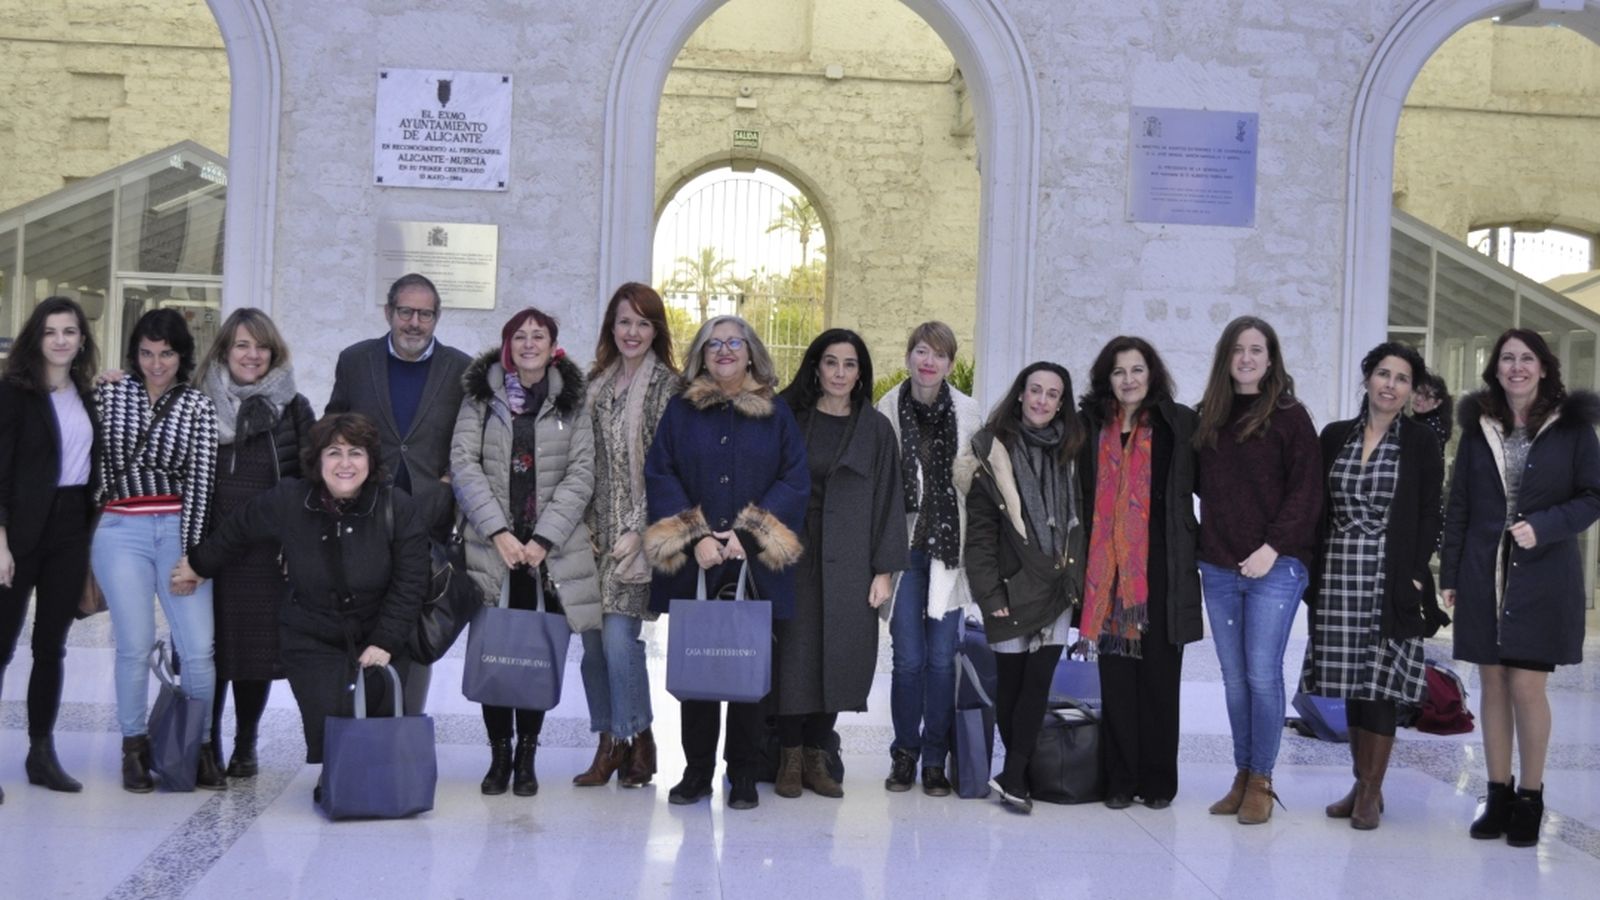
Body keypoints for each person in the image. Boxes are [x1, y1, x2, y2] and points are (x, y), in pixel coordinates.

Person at [178, 413, 428, 795]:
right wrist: (198, 564)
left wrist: (386, 641)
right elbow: (238, 527)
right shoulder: (291, 499)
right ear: (318, 460)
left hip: (378, 625)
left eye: (356, 453)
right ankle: (338, 770)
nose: (345, 464)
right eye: (334, 452)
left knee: (378, 709)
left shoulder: (399, 507)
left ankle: (371, 776)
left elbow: (411, 581)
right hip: (311, 628)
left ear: (371, 461)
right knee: (329, 710)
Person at [1440, 328, 1600, 848]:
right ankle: (1498, 792)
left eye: (1526, 358)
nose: (1516, 367)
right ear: (1495, 368)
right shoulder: (1479, 425)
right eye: (1507, 359)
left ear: (1544, 367)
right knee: (1492, 684)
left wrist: (1547, 526)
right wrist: (1451, 574)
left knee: (1527, 687)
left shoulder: (1573, 428)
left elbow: (1593, 495)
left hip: (1543, 574)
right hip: (1483, 573)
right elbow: (1459, 503)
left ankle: (1530, 796)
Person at [644, 315, 807, 811]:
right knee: (699, 673)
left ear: (752, 353)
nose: (725, 351)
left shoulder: (777, 414)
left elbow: (795, 479)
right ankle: (696, 772)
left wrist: (746, 534)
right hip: (699, 561)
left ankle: (742, 773)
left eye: (735, 342)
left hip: (752, 564)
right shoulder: (680, 411)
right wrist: (693, 537)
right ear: (701, 355)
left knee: (746, 673)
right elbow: (660, 472)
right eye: (714, 344)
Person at [452, 307, 599, 798]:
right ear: (508, 343)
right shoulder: (481, 397)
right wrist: (498, 532)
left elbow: (582, 474)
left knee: (533, 652)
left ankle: (528, 755)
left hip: (545, 555)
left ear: (553, 345)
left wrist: (541, 540)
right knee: (497, 652)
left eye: (539, 336)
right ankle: (498, 756)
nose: (529, 343)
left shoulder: (572, 403)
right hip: (493, 549)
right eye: (521, 336)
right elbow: (463, 464)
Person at [1301, 342, 1442, 831]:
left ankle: (1371, 792)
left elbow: (1429, 511)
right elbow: (1316, 505)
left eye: (1402, 378)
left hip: (1390, 574)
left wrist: (1415, 571)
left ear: (1410, 390)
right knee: (1351, 687)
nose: (1391, 384)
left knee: (1380, 686)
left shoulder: (1422, 442)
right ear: (1367, 379)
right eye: (1383, 373)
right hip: (1338, 570)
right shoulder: (1335, 436)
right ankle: (1361, 783)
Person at [1193, 315, 1320, 825]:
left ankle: (1263, 780)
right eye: (1238, 349)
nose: (1246, 357)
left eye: (1256, 349)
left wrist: (1273, 546)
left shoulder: (1290, 416)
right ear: (1226, 357)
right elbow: (1206, 487)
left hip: (1277, 564)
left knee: (1262, 674)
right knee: (1234, 678)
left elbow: (1307, 492)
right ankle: (1242, 775)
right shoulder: (1210, 417)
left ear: (1271, 360)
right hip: (1220, 565)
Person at [92, 308, 224, 792]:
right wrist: (97, 379)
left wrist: (191, 556)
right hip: (119, 529)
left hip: (175, 528)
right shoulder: (109, 393)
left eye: (166, 353)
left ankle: (200, 747)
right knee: (134, 644)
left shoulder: (197, 406)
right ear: (134, 353)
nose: (156, 363)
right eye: (146, 353)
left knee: (198, 650)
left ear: (182, 355)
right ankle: (133, 747)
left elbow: (202, 485)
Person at [326, 272, 470, 715]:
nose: (414, 322)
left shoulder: (461, 369)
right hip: (365, 515)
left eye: (424, 314)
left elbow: (471, 439)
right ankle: (357, 724)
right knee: (362, 620)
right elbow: (333, 427)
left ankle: (403, 724)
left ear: (436, 318)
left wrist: (450, 482)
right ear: (388, 312)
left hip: (429, 518)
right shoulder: (355, 361)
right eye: (405, 311)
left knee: (415, 620)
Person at [772, 329, 906, 799]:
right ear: (816, 368)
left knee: (837, 656)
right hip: (793, 556)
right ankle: (788, 756)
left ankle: (817, 756)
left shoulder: (875, 429)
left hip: (850, 561)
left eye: (850, 365)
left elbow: (891, 499)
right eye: (832, 363)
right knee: (794, 655)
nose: (840, 373)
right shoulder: (790, 417)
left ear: (860, 373)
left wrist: (884, 570)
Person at [1076, 336, 1200, 810]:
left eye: (1137, 370)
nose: (1128, 380)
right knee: (1117, 683)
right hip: (1106, 575)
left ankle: (1158, 783)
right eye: (1119, 372)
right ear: (1106, 379)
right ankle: (1119, 781)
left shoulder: (1178, 424)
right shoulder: (1090, 427)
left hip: (1161, 572)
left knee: (1160, 682)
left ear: (1152, 375)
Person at [193, 308, 315, 778]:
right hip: (207, 549)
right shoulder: (198, 403)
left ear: (274, 353)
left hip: (266, 552)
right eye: (242, 345)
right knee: (207, 649)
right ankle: (206, 743)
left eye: (261, 346)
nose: (252, 354)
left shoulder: (294, 408)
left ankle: (246, 744)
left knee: (253, 653)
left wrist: (297, 543)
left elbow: (309, 480)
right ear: (225, 349)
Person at [961, 361, 1085, 813]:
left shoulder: (1072, 451)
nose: (1042, 401)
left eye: (1053, 394)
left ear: (1061, 403)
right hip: (1012, 588)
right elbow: (979, 536)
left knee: (1037, 684)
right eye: (1035, 391)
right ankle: (1018, 773)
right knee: (1010, 686)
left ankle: (1014, 776)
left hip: (1057, 586)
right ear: (1020, 394)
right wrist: (989, 594)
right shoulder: (991, 452)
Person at [576, 284, 680, 789]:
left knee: (620, 638)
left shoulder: (669, 388)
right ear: (610, 329)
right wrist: (586, 526)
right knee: (592, 644)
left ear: (656, 330)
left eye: (642, 323)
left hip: (638, 537)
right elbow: (582, 462)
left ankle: (635, 736)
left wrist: (638, 531)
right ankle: (611, 739)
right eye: (623, 322)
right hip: (592, 537)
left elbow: (669, 468)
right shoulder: (594, 385)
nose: (632, 332)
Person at [875, 321, 983, 796]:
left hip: (948, 549)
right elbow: (879, 488)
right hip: (902, 549)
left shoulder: (969, 411)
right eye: (921, 351)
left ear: (950, 364)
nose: (929, 361)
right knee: (908, 660)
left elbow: (978, 489)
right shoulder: (886, 407)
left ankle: (935, 760)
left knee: (942, 660)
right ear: (909, 356)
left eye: (939, 355)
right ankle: (904, 754)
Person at [0, 298, 101, 799]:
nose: (61, 340)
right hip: (17, 531)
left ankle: (41, 753)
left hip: (70, 529)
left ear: (82, 339)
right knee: (0, 645)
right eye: (50, 332)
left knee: (50, 647)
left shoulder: (87, 393)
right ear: (35, 339)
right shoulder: (13, 393)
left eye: (70, 331)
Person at [1411, 371, 1454, 452]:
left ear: (1437, 402)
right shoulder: (1413, 420)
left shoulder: (1432, 428)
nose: (1419, 398)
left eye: (1427, 396)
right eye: (1418, 392)